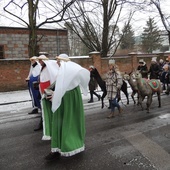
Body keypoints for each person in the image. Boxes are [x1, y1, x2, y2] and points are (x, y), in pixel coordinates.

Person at [43, 53, 90, 161]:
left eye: (59, 61)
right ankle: (57, 147)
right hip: (62, 101)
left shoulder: (70, 72)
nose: (57, 63)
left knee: (68, 122)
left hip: (68, 102)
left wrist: (56, 95)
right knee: (59, 122)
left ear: (63, 62)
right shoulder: (63, 71)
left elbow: (66, 89)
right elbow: (60, 86)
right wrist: (53, 93)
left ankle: (68, 145)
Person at [34, 55, 58, 132]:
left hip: (48, 91)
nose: (40, 62)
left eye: (41, 61)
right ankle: (45, 123)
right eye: (39, 61)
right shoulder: (43, 68)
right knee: (45, 108)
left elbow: (52, 80)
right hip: (43, 91)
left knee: (49, 108)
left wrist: (50, 90)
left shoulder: (48, 68)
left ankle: (50, 124)